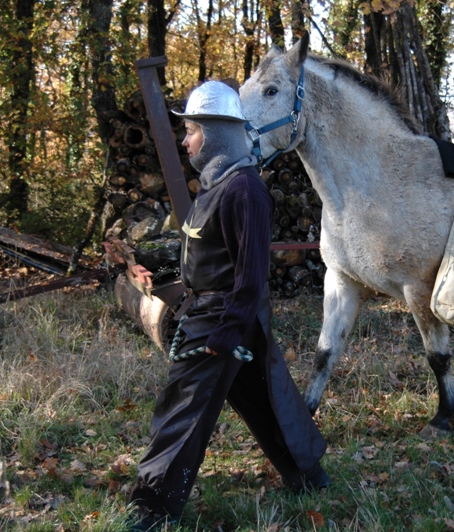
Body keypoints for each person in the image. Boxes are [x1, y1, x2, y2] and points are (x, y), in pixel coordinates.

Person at [127, 80, 329, 531]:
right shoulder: (215, 187)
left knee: (184, 406)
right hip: (213, 314)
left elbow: (251, 274)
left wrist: (227, 329)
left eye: (193, 130)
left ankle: (155, 508)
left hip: (224, 318)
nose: (185, 140)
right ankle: (309, 474)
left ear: (216, 134)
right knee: (265, 396)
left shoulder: (245, 191)